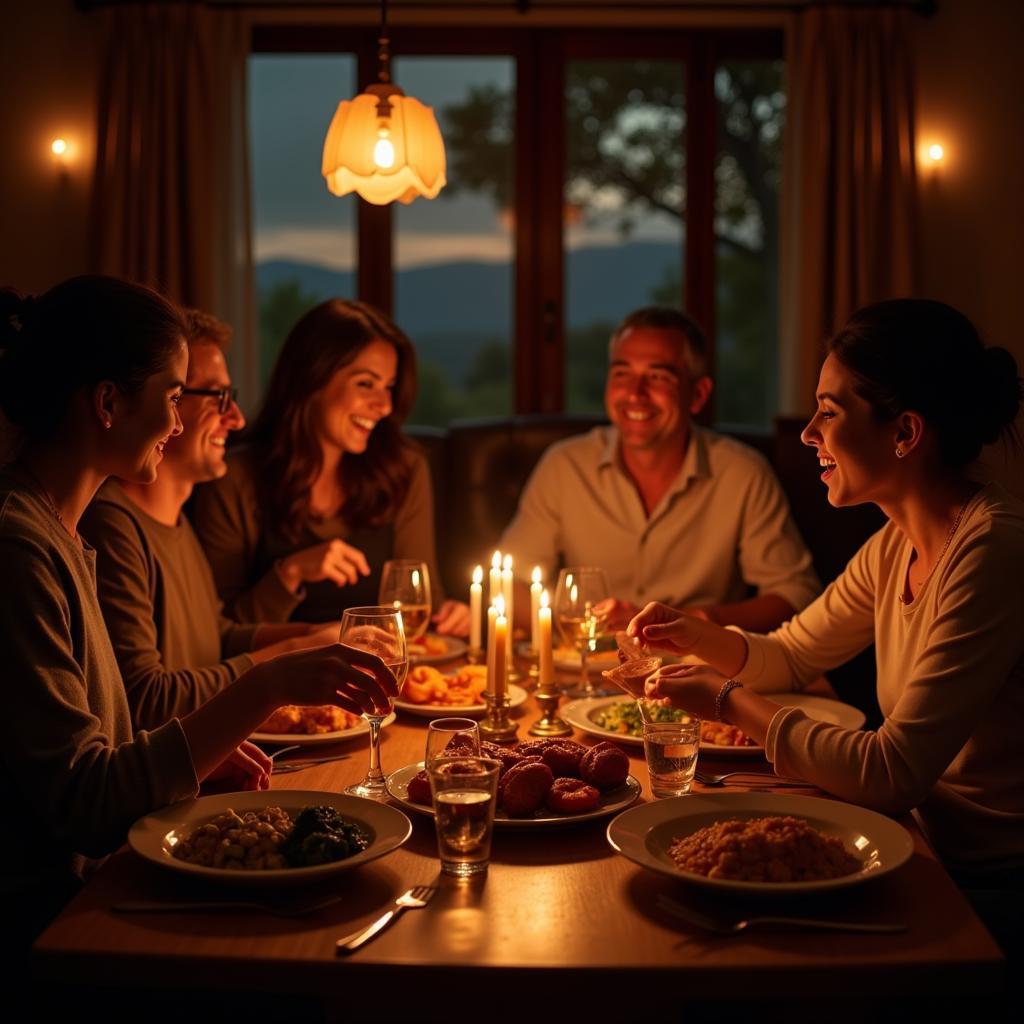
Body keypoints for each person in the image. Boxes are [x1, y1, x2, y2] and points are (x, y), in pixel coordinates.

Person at [0, 277, 396, 950]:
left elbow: (107, 736)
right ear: (107, 402)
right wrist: (269, 684)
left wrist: (199, 756)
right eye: (174, 397)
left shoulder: (61, 536)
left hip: (103, 885)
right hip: (59, 923)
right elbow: (83, 806)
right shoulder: (19, 548)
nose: (182, 423)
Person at [629, 299, 1024, 883]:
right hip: (917, 839)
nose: (810, 434)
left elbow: (891, 771)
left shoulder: (991, 551)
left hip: (981, 878)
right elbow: (791, 656)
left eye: (829, 413)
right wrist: (693, 633)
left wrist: (725, 700)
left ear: (905, 432)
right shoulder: (896, 544)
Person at [80, 309, 339, 731]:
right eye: (217, 397)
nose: (235, 418)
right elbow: (145, 699)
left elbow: (211, 638)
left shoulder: (177, 521)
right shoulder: (112, 526)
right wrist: (290, 654)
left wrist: (319, 634)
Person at [501, 307, 819, 631]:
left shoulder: (742, 474)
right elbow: (510, 583)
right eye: (622, 373)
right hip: (586, 667)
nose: (635, 394)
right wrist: (578, 630)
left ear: (697, 395)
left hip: (697, 668)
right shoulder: (564, 466)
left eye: (658, 376)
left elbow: (795, 595)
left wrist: (691, 622)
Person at [193, 299, 468, 634]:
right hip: (281, 680)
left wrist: (450, 616)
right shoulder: (234, 478)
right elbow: (218, 633)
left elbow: (423, 604)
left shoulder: (405, 469)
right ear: (311, 379)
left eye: (389, 387)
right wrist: (290, 574)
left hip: (384, 676)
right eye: (365, 384)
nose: (383, 406)